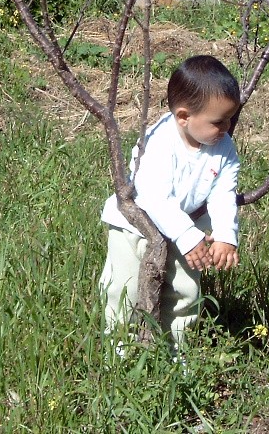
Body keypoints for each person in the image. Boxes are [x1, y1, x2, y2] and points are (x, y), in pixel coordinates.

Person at [99, 55, 242, 346]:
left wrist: (226, 234)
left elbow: (224, 191)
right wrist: (187, 235)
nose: (227, 127)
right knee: (124, 288)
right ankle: (119, 345)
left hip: (187, 227)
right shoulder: (159, 141)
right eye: (218, 121)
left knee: (185, 289)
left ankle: (176, 346)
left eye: (230, 118)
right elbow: (153, 196)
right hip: (134, 227)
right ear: (183, 116)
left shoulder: (223, 145)